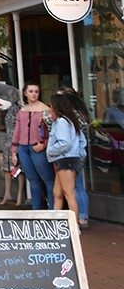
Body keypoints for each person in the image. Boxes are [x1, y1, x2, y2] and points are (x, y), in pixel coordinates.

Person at [47, 87, 90, 230]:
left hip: (65, 159)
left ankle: (74, 226)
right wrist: (79, 154)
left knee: (68, 193)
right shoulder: (71, 121)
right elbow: (82, 141)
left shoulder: (62, 122)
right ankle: (56, 224)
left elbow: (64, 143)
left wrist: (51, 150)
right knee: (57, 192)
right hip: (70, 159)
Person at [11, 83, 55, 210]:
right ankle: (36, 210)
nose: (34, 94)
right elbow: (17, 132)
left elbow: (52, 131)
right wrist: (14, 151)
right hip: (23, 147)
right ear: (25, 93)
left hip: (38, 146)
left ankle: (52, 209)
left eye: (36, 91)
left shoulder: (46, 110)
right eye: (31, 91)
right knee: (32, 179)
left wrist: (44, 144)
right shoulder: (22, 111)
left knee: (48, 179)